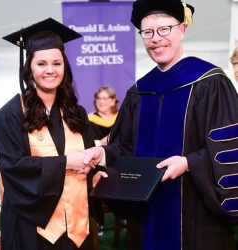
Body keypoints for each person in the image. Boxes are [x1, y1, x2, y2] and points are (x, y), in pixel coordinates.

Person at [83, 0, 238, 250]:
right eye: (148, 32)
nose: (156, 39)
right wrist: (102, 153)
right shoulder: (140, 91)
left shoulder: (210, 83)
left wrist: (188, 163)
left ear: (183, 29)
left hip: (195, 216)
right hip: (146, 216)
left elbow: (229, 150)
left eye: (164, 29)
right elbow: (125, 146)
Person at [0, 18, 106, 250]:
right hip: (33, 228)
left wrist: (94, 172)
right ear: (29, 68)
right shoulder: (10, 114)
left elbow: (87, 161)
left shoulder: (77, 113)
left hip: (77, 226)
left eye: (57, 63)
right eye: (41, 64)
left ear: (65, 67)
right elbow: (13, 168)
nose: (50, 70)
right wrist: (65, 163)